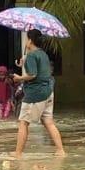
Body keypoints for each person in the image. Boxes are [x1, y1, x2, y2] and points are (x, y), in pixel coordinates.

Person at [12, 29, 65, 158]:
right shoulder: (43, 54)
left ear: (30, 40)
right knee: (49, 122)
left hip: (35, 94)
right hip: (48, 92)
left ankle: (18, 153)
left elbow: (32, 75)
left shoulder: (31, 55)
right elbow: (40, 70)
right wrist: (24, 62)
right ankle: (60, 150)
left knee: (23, 122)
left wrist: (19, 78)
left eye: (26, 39)